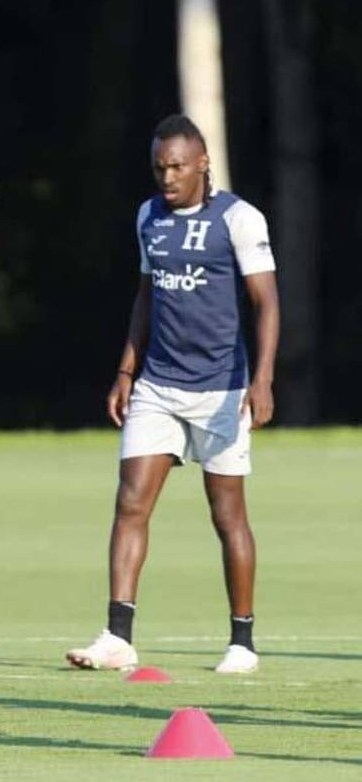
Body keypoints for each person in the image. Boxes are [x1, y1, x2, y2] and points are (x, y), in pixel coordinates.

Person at [66, 114, 280, 675]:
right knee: (131, 502)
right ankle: (118, 636)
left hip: (221, 390)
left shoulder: (238, 218)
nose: (168, 177)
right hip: (158, 385)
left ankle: (242, 642)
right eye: (160, 167)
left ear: (203, 163)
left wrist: (262, 379)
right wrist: (125, 371)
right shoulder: (148, 217)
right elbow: (146, 297)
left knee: (227, 513)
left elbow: (267, 303)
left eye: (178, 167)